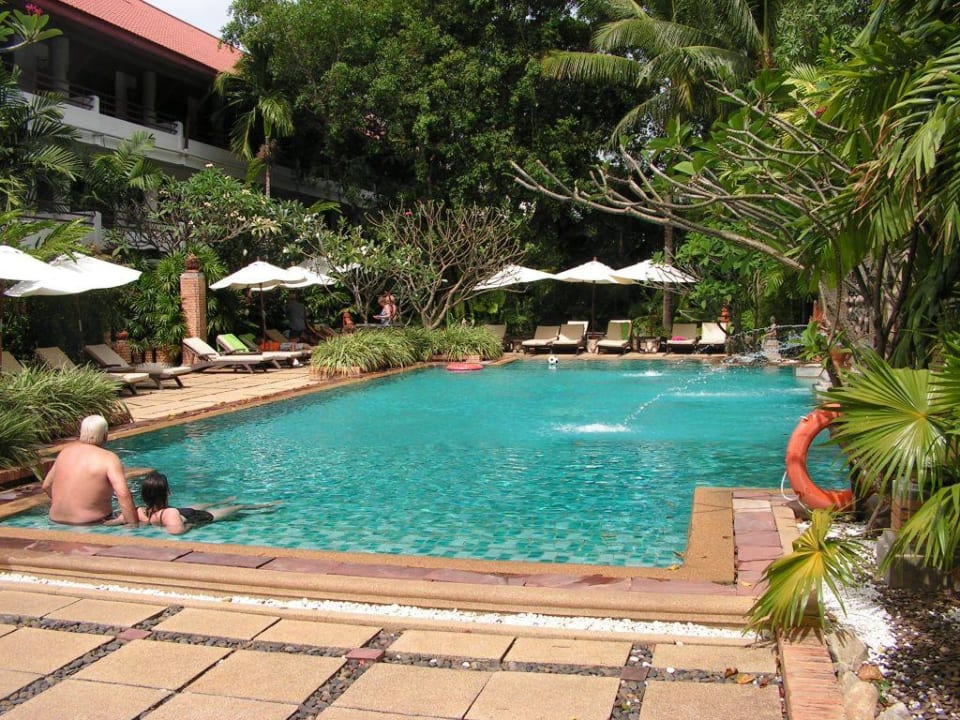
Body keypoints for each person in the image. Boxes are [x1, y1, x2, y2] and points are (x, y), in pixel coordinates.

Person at [107, 472, 280, 535]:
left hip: (183, 512)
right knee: (238, 508)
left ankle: (220, 501)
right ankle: (264, 507)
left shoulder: (138, 511)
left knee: (201, 504)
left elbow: (117, 521)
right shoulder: (169, 514)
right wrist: (190, 525)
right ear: (167, 492)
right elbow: (177, 531)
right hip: (199, 517)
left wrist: (105, 522)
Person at [42, 415, 139, 526]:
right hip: (91, 524)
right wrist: (133, 524)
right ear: (105, 435)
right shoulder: (108, 458)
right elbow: (123, 493)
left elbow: (46, 486)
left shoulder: (64, 453)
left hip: (55, 520)